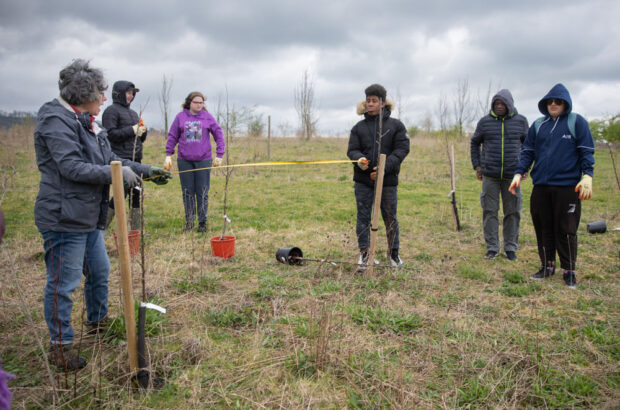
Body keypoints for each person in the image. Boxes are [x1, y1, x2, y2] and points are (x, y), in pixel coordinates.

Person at [34, 59, 171, 370]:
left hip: (88, 216)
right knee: (63, 284)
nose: (104, 99)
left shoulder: (88, 122)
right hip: (63, 216)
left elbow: (112, 158)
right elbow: (71, 167)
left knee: (99, 271)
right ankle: (60, 345)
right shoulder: (55, 120)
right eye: (100, 93)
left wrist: (143, 170)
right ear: (83, 95)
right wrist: (116, 175)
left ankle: (97, 323)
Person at [509, 83, 595, 288]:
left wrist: (587, 175)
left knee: (566, 229)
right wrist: (519, 173)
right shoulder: (539, 125)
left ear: (565, 103)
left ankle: (569, 270)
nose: (554, 104)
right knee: (543, 226)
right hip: (541, 186)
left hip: (567, 188)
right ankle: (547, 266)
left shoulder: (576, 122)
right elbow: (528, 151)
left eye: (558, 101)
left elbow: (586, 151)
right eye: (550, 101)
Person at [347, 84, 410, 268]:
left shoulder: (396, 126)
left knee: (390, 217)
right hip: (363, 181)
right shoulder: (358, 128)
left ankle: (393, 255)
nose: (370, 104)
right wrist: (360, 160)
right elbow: (352, 150)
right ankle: (365, 255)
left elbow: (402, 149)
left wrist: (384, 167)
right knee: (363, 217)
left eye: (374, 101)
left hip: (388, 181)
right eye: (368, 101)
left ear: (383, 103)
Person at [470, 89, 529, 261]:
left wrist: (525, 168)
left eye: (503, 104)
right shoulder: (485, 122)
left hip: (513, 176)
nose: (500, 106)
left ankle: (510, 248)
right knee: (490, 212)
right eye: (497, 104)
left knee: (513, 212)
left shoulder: (521, 121)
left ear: (510, 105)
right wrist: (478, 166)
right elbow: (475, 143)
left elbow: (529, 146)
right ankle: (492, 247)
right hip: (490, 176)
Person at [164, 91, 225, 232]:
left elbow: (219, 134)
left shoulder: (207, 117)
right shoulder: (180, 117)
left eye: (201, 102)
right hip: (184, 160)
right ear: (189, 103)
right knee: (187, 192)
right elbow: (173, 135)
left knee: (202, 191)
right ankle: (190, 221)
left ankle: (202, 222)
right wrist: (168, 154)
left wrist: (219, 154)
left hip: (203, 160)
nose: (199, 105)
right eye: (196, 102)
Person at [102, 81, 148, 233]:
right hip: (120, 159)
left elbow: (138, 138)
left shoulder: (134, 113)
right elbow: (110, 135)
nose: (131, 96)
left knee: (136, 192)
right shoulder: (110, 111)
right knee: (121, 194)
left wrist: (142, 132)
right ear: (119, 93)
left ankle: (136, 230)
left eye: (132, 93)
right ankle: (103, 226)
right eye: (128, 93)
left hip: (136, 159)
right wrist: (132, 130)